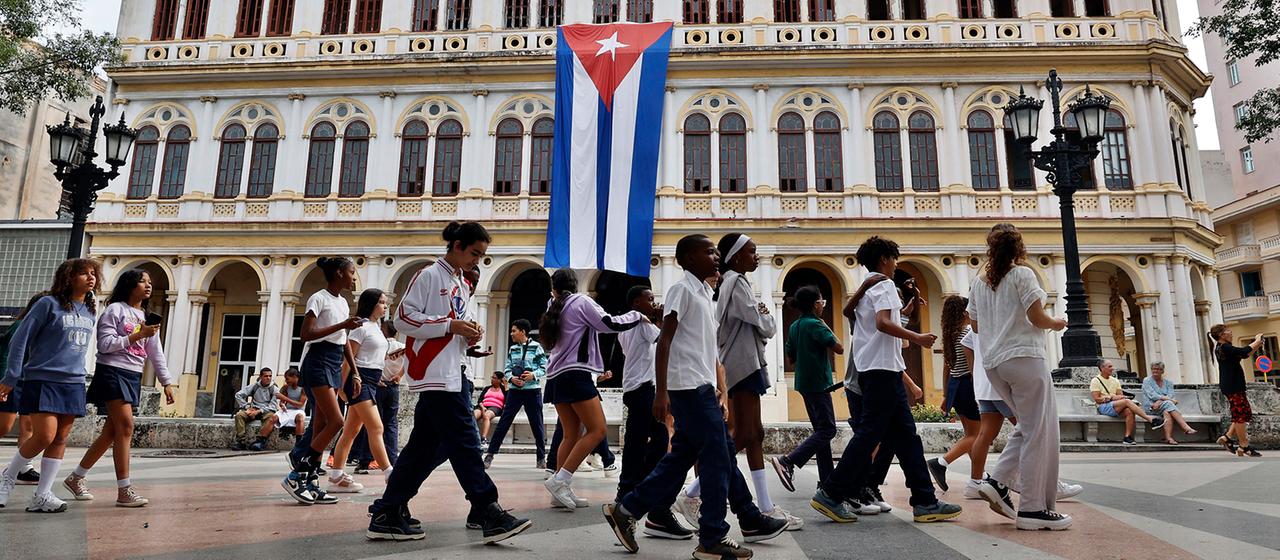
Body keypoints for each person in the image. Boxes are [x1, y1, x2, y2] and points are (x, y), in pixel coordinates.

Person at [604, 234, 787, 560]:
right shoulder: (682, 290)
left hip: (702, 386)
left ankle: (627, 509)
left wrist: (721, 389)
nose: (716, 256)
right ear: (689, 259)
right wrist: (661, 392)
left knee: (689, 458)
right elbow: (665, 341)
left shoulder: (705, 293)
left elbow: (707, 350)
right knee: (718, 456)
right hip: (687, 388)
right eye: (708, 252)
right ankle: (713, 536)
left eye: (717, 252)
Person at [368, 221, 530, 543]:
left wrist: (468, 338)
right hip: (436, 375)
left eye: (482, 255)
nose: (477, 260)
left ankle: (388, 510)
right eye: (474, 253)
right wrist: (450, 325)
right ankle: (487, 509)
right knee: (466, 441)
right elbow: (402, 319)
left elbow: (448, 330)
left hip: (454, 371)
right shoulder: (429, 275)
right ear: (457, 246)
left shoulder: (458, 282)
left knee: (423, 449)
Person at [810, 237, 960, 525]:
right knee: (869, 434)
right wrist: (917, 337)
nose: (896, 264)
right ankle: (831, 492)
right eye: (894, 258)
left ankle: (925, 500)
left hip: (875, 369)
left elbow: (864, 317)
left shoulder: (867, 286)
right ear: (884, 259)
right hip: (882, 371)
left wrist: (907, 309)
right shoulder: (885, 284)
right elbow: (883, 323)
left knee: (906, 438)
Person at [969, 223, 1071, 531]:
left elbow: (974, 326)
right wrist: (1057, 323)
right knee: (1039, 432)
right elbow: (1037, 317)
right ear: (1018, 247)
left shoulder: (980, 281)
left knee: (1029, 427)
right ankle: (1032, 509)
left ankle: (998, 482)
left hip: (995, 364)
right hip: (1025, 357)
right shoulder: (1022, 274)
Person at [703, 233, 799, 530]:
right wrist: (767, 318)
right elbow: (762, 324)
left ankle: (765, 505)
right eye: (752, 252)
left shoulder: (730, 282)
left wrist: (761, 316)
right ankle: (694, 493)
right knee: (744, 434)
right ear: (735, 257)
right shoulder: (737, 282)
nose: (756, 256)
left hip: (744, 363)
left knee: (754, 434)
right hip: (742, 364)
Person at [0, 258, 100, 512]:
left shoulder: (89, 310)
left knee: (60, 438)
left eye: (93, 274)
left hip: (74, 382)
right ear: (68, 278)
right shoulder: (48, 304)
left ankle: (42, 495)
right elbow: (19, 340)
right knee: (44, 435)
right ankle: (7, 479)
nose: (90, 278)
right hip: (43, 379)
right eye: (83, 273)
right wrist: (11, 376)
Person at [540, 268, 645, 510]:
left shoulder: (552, 305)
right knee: (597, 431)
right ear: (575, 285)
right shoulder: (580, 301)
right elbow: (608, 323)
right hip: (576, 374)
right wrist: (637, 316)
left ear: (553, 288)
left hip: (557, 375)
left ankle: (560, 489)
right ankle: (561, 480)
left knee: (571, 433)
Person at [959, 328, 1084, 502]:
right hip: (1004, 382)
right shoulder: (999, 315)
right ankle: (1048, 483)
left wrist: (976, 372)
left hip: (986, 383)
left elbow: (966, 344)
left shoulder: (980, 318)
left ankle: (975, 481)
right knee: (1033, 430)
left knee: (985, 434)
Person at [281, 257, 363, 506]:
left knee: (321, 425)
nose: (353, 277)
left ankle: (311, 483)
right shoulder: (319, 298)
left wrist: (355, 370)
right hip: (317, 361)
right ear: (339, 273)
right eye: (351, 272)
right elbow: (306, 334)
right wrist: (342, 324)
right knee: (337, 420)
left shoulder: (342, 302)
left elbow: (344, 339)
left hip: (334, 360)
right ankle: (296, 474)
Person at [615, 285, 692, 539]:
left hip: (636, 386)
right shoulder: (639, 321)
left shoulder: (634, 323)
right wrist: (661, 318)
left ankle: (636, 485)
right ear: (636, 302)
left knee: (651, 439)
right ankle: (628, 489)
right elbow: (663, 339)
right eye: (649, 299)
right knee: (645, 440)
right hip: (642, 387)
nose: (654, 302)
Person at [773, 285, 841, 505]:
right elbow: (838, 347)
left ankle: (826, 482)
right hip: (818, 383)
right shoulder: (815, 324)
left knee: (821, 432)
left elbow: (790, 356)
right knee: (828, 429)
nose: (823, 306)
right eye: (822, 302)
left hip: (803, 382)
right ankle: (788, 461)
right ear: (815, 304)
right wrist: (824, 324)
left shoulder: (795, 325)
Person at [328, 289, 397, 492]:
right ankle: (389, 473)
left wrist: (388, 358)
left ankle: (336, 476)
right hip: (359, 381)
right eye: (382, 302)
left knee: (351, 431)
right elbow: (349, 358)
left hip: (372, 381)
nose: (385, 306)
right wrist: (340, 386)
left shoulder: (376, 327)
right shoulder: (360, 327)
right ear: (372, 304)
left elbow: (372, 356)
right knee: (376, 428)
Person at [925, 296, 981, 493]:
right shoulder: (968, 333)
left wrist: (945, 395)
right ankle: (941, 462)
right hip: (968, 385)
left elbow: (947, 368)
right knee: (979, 435)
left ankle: (977, 479)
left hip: (955, 387)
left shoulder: (950, 335)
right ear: (965, 312)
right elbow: (975, 366)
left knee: (971, 435)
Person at [483, 318, 547, 469]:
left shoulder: (537, 347)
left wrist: (533, 375)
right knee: (504, 422)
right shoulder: (513, 349)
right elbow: (507, 368)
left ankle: (541, 458)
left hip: (532, 391)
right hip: (515, 391)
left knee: (537, 424)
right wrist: (512, 378)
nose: (511, 334)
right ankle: (490, 454)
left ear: (522, 332)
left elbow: (544, 367)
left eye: (514, 331)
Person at [0, 293, 47, 487]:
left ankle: (24, 468)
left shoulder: (44, 330)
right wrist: (4, 381)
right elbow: (6, 355)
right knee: (4, 426)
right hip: (13, 381)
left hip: (30, 381)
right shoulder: (21, 327)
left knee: (30, 426)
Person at [355, 322, 404, 474]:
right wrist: (399, 376)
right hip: (393, 385)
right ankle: (392, 459)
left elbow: (375, 361)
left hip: (378, 385)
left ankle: (365, 460)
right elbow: (408, 364)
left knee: (370, 424)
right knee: (391, 423)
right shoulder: (402, 346)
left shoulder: (381, 346)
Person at [1208, 324, 1264, 457]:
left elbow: (1244, 354)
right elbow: (1244, 351)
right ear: (1222, 335)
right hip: (1233, 385)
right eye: (1228, 331)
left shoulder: (1221, 348)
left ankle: (1227, 437)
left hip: (1232, 385)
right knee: (1240, 415)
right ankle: (1244, 446)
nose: (1231, 333)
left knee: (1242, 413)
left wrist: (1257, 344)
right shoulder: (1225, 347)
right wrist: (1256, 340)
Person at [1091, 359, 1163, 445]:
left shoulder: (1115, 381)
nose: (1112, 368)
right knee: (1127, 402)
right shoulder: (1095, 380)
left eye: (1112, 366)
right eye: (1109, 366)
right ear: (1102, 368)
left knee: (1129, 411)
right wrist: (1109, 398)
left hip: (1115, 405)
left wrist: (1116, 398)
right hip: (1103, 406)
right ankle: (1150, 419)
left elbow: (1120, 397)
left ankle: (1127, 437)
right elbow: (1096, 399)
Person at [1141, 362, 1197, 445]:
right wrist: (1166, 399)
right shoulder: (1147, 381)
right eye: (1153, 369)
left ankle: (1168, 438)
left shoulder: (1168, 383)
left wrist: (1160, 401)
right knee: (1169, 404)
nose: (1155, 371)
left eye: (1158, 369)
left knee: (1167, 411)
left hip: (1163, 406)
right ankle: (1185, 427)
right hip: (1151, 407)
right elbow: (1152, 395)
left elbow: (1171, 395)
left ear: (1162, 371)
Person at [232, 369, 279, 451]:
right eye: (266, 376)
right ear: (261, 377)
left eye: (270, 376)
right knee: (239, 415)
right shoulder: (254, 386)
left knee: (271, 417)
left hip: (266, 411)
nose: (268, 378)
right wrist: (247, 407)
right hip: (253, 409)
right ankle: (241, 442)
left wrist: (259, 411)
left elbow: (273, 406)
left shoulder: (274, 389)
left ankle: (260, 441)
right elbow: (238, 395)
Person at [476, 372, 506, 446]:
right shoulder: (487, 388)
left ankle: (483, 439)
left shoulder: (503, 389)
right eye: (492, 377)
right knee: (473, 415)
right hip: (483, 406)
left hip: (495, 407)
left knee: (486, 416)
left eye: (494, 378)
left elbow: (508, 399)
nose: (492, 379)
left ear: (499, 380)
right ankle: (470, 437)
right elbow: (480, 400)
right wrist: (482, 407)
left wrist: (506, 385)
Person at [276, 368, 307, 438]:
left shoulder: (303, 388)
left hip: (299, 411)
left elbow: (300, 405)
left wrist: (285, 398)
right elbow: (282, 402)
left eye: (287, 379)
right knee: (272, 418)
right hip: (287, 410)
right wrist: (282, 404)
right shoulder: (286, 387)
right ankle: (261, 440)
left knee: (300, 418)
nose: (286, 381)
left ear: (294, 377)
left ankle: (299, 441)